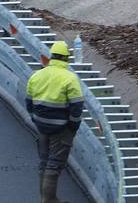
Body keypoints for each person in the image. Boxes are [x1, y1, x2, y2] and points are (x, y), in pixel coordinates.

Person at [25, 39, 84, 203]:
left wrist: (35, 120)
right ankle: (49, 200)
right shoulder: (69, 78)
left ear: (51, 57)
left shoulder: (37, 75)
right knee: (54, 163)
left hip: (41, 125)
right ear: (66, 58)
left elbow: (29, 102)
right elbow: (77, 106)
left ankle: (45, 198)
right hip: (60, 127)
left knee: (44, 162)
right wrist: (73, 126)